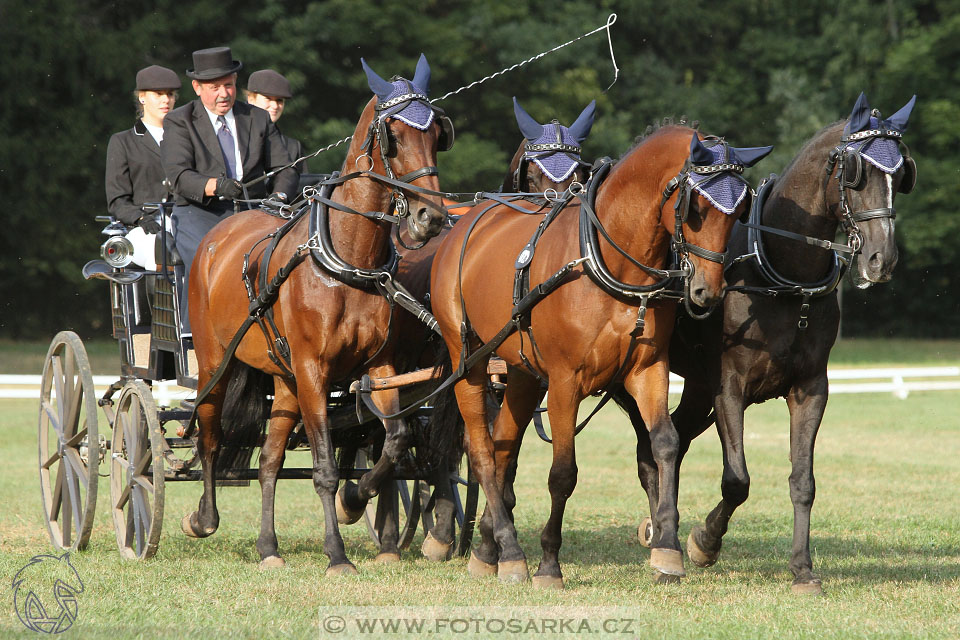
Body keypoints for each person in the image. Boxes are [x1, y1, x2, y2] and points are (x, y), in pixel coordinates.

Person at [161, 46, 298, 336]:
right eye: (214, 88)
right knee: (205, 256)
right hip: (200, 212)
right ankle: (196, 334)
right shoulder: (180, 121)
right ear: (197, 88)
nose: (223, 94)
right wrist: (214, 185)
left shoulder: (258, 118)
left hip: (254, 211)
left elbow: (286, 168)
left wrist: (278, 197)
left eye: (228, 85)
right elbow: (179, 176)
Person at [105, 65, 180, 231]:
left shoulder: (186, 137)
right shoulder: (122, 142)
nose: (166, 100)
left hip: (185, 223)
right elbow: (118, 201)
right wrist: (140, 218)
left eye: (170, 94)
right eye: (158, 94)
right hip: (144, 226)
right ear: (142, 97)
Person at [245, 69, 308, 176]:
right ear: (251, 98)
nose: (275, 106)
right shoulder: (231, 135)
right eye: (268, 99)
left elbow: (304, 188)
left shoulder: (293, 147)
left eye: (279, 100)